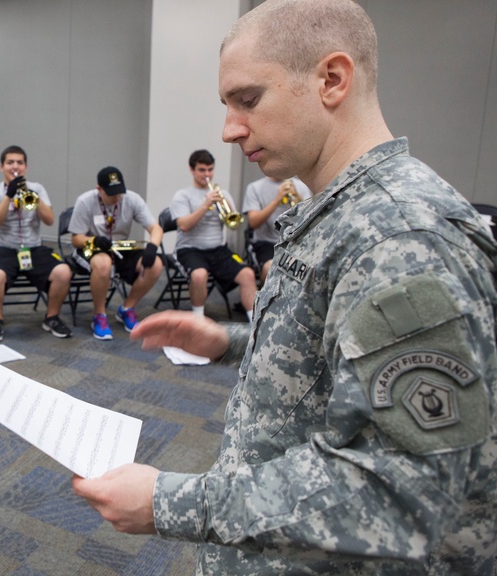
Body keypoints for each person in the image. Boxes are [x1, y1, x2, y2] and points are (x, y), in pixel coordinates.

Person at [72, 0, 497, 573]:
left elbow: (403, 495)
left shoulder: (400, 239)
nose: (229, 129)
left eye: (247, 100)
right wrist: (231, 340)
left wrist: (167, 502)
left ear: (332, 79)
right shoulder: (343, 209)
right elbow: (340, 351)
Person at [0, 145, 72, 342]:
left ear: (26, 167)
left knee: (63, 272)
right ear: (1, 167)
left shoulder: (37, 189)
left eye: (20, 163)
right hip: (3, 249)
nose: (15, 166)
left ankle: (52, 317)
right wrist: (9, 195)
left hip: (33, 248)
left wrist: (31, 195)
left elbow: (49, 220)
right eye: (10, 162)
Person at [68, 166, 163, 340]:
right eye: (112, 194)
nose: (117, 198)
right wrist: (94, 240)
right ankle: (99, 315)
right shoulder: (85, 201)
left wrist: (152, 247)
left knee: (155, 264)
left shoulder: (132, 199)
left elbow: (155, 228)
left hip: (120, 248)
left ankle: (127, 309)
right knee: (103, 264)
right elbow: (76, 239)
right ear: (99, 189)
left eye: (119, 193)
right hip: (91, 247)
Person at [170, 149, 256, 320]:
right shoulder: (183, 195)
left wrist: (227, 208)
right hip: (190, 249)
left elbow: (233, 226)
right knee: (199, 275)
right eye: (202, 170)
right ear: (192, 170)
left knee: (248, 274)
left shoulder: (222, 194)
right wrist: (205, 205)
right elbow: (184, 226)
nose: (207, 174)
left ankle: (254, 321)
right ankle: (198, 319)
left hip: (218, 249)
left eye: (210, 169)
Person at [241, 175, 311, 284]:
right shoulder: (255, 187)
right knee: (270, 268)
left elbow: (309, 220)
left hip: (294, 241)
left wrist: (300, 202)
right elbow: (253, 223)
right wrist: (276, 200)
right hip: (266, 243)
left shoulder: (301, 187)